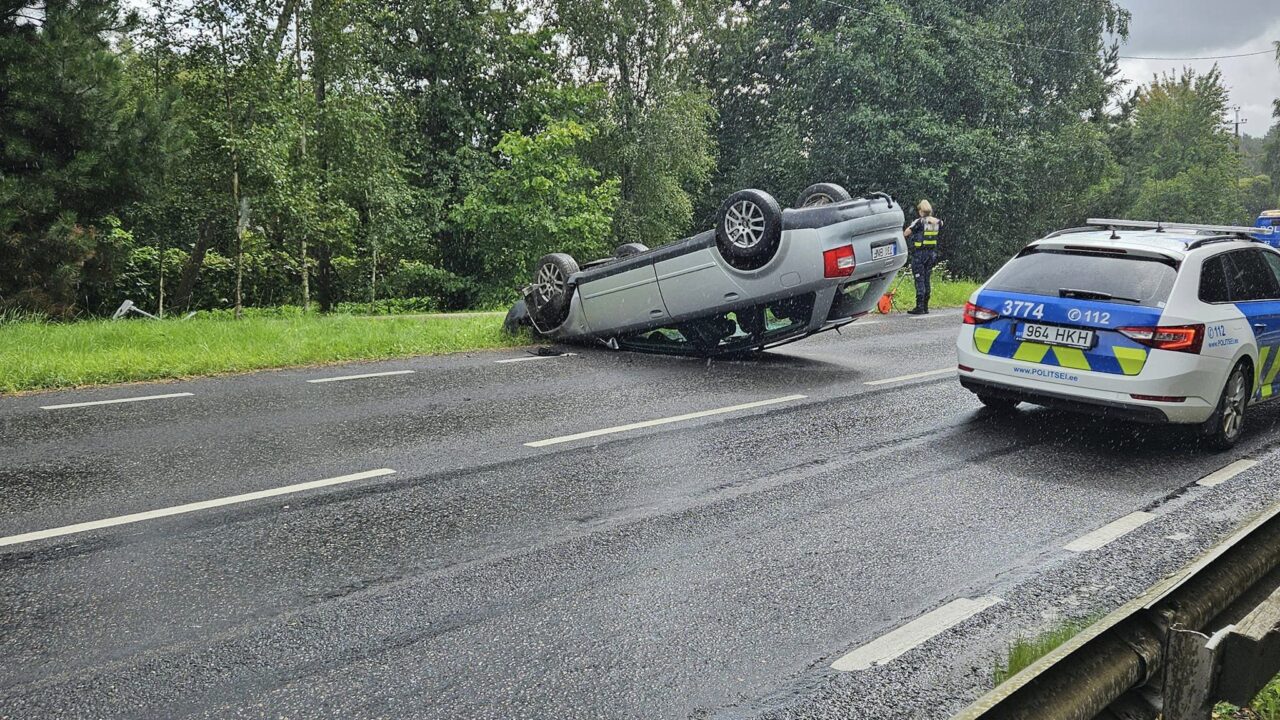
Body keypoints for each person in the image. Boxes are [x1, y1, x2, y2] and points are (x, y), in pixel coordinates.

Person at [903, 199, 943, 315]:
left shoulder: (919, 221)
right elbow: (941, 224)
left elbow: (906, 233)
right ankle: (925, 307)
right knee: (926, 279)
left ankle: (919, 307)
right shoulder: (938, 222)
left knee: (919, 279)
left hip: (919, 255)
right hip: (931, 254)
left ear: (921, 210)